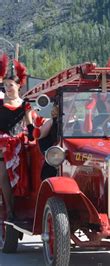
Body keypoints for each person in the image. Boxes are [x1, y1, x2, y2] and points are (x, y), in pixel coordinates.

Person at [0, 61, 34, 221]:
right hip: (2, 144)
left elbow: (29, 124)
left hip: (19, 144)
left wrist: (34, 135)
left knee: (22, 177)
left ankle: (23, 208)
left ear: (19, 85)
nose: (7, 88)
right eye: (5, 85)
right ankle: (10, 211)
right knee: (3, 176)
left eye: (10, 85)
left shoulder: (25, 104)